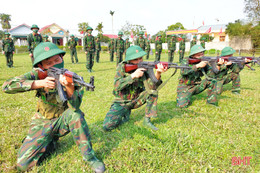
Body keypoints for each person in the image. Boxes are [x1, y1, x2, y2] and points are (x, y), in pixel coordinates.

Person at [2, 42, 105, 173]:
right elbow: (6, 86)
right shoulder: (37, 74)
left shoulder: (70, 76)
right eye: (49, 63)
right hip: (42, 122)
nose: (54, 64)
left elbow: (75, 106)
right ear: (41, 66)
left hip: (62, 120)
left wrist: (69, 87)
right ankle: (50, 143)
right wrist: (38, 83)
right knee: (23, 165)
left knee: (76, 115)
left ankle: (91, 158)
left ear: (62, 58)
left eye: (57, 60)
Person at [103, 46, 168, 131]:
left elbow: (152, 87)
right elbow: (117, 86)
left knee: (153, 92)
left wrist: (158, 73)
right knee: (107, 126)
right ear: (129, 60)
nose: (139, 61)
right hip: (122, 102)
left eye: (140, 58)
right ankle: (125, 112)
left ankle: (147, 120)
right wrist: (132, 76)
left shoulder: (146, 66)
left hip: (137, 99)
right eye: (135, 59)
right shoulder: (122, 67)